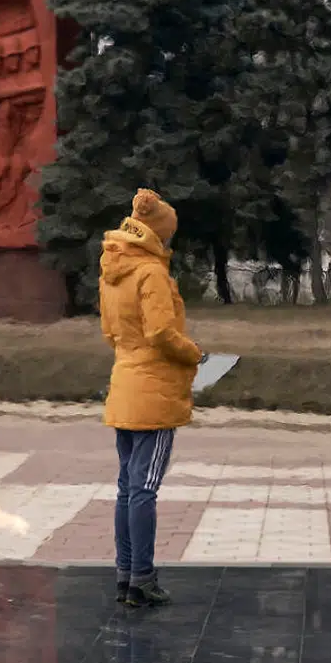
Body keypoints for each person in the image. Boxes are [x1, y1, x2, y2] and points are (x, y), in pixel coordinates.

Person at [99, 189, 201, 608]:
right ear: (157, 234)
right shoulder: (151, 273)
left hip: (124, 386)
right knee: (144, 489)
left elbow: (110, 332)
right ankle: (143, 577)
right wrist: (192, 353)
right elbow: (161, 333)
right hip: (154, 393)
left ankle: (126, 575)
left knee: (127, 487)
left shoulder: (112, 269)